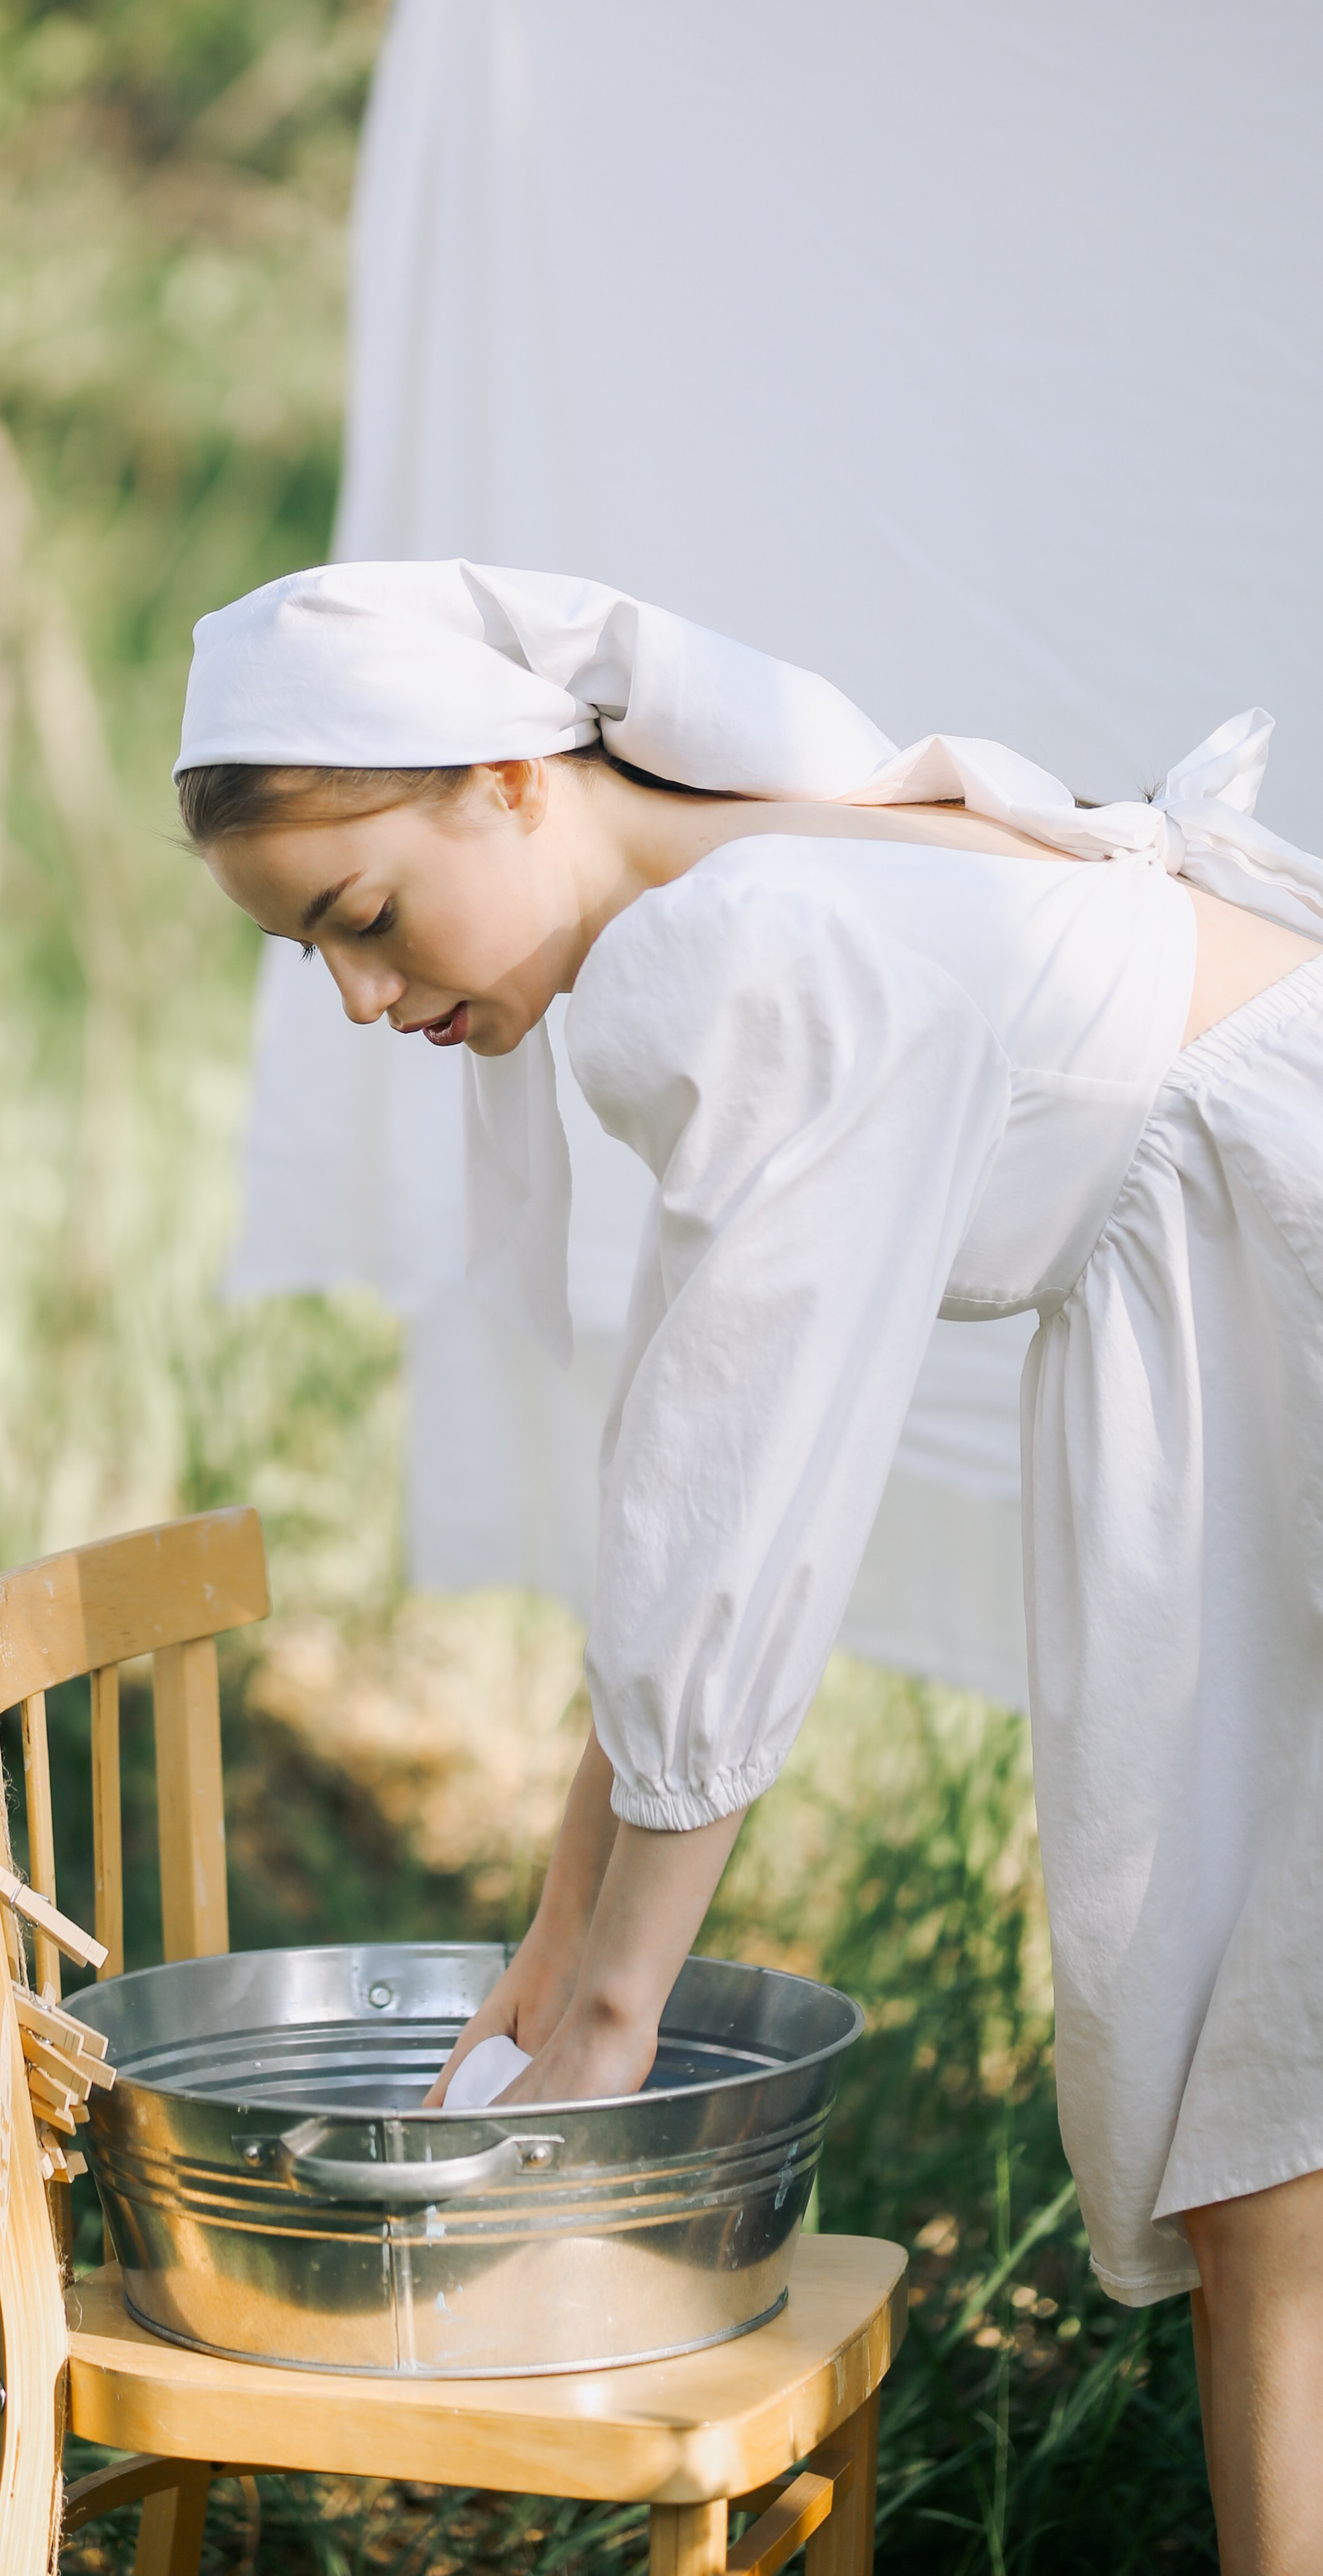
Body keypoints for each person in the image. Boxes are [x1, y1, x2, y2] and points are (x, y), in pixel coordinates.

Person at [176, 560, 1323, 2574]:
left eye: (360, 916)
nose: (359, 997)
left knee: (1279, 2143)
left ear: (508, 781)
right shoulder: (756, 874)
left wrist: (615, 2021)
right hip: (1239, 1321)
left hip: (1283, 1295)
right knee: (1275, 2140)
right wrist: (553, 1945)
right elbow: (688, 1502)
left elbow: (743, 1510)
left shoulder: (739, 947)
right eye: (308, 956)